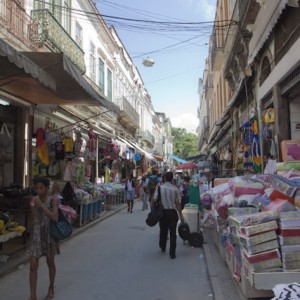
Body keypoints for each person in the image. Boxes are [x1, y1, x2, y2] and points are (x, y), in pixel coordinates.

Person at [27, 177, 59, 300]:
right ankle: (32, 295)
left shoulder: (53, 200)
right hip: (36, 235)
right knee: (33, 265)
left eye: (41, 188)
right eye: (37, 188)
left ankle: (51, 287)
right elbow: (33, 218)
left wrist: (42, 206)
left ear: (46, 188)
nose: (39, 191)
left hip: (48, 234)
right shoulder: (33, 200)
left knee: (50, 262)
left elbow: (54, 218)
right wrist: (33, 207)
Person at [153, 171, 184, 259]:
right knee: (173, 233)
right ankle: (172, 253)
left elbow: (154, 200)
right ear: (172, 179)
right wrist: (181, 215)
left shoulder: (159, 188)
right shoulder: (175, 189)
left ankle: (162, 246)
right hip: (172, 213)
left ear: (165, 178)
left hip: (162, 213)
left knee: (163, 230)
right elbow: (178, 203)